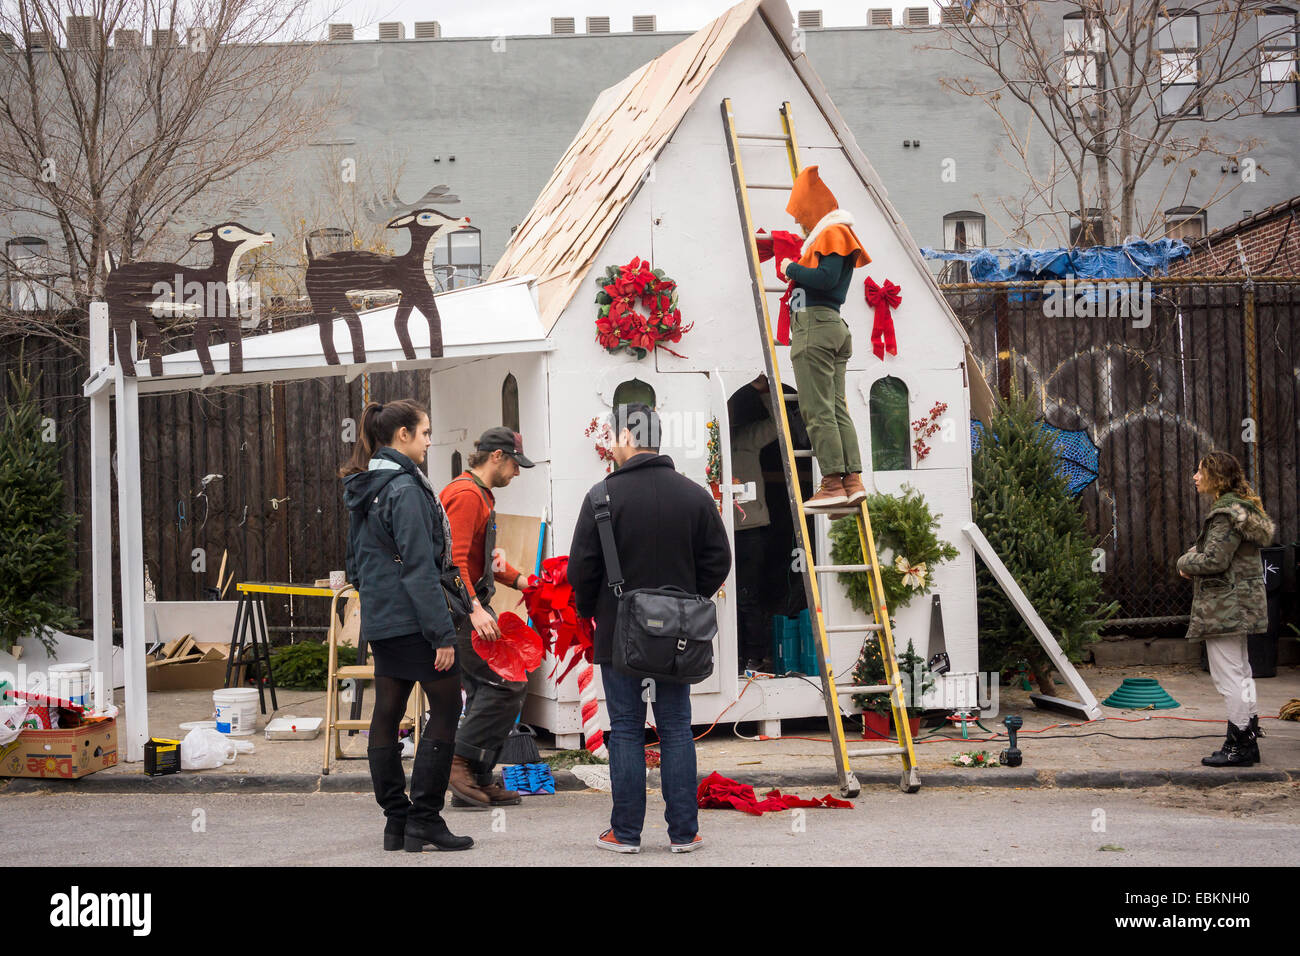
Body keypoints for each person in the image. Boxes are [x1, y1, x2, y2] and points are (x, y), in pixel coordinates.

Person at [568, 403, 732, 854]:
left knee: (624, 729)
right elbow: (720, 558)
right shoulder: (695, 495)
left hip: (620, 632)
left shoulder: (601, 497)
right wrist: (685, 597)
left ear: (625, 439)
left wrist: (590, 609)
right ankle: (685, 833)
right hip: (677, 637)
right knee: (676, 727)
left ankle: (625, 833)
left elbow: (582, 569)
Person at [341, 400, 472, 852]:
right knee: (448, 709)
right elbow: (420, 569)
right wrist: (441, 635)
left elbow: (354, 566)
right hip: (416, 620)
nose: (430, 441)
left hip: (381, 619)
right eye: (425, 433)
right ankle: (425, 818)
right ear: (402, 435)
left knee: (387, 712)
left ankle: (396, 822)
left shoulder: (364, 485)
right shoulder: (405, 489)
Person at [440, 426, 535, 809]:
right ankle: (458, 762)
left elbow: (484, 563)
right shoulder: (466, 496)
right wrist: (476, 610)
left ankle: (475, 780)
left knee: (488, 689)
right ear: (496, 456)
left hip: (470, 605)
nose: (517, 472)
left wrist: (523, 581)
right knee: (506, 684)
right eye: (515, 464)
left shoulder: (480, 495)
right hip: (462, 610)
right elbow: (455, 562)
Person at [776, 164, 872, 511]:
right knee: (835, 408)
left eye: (802, 218)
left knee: (816, 410)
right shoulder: (838, 234)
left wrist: (791, 268)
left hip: (814, 328)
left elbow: (826, 279)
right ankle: (851, 481)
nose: (800, 226)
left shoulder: (831, 234)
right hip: (831, 326)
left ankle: (832, 483)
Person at [1177, 451, 1273, 767]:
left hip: (1225, 605)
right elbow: (1223, 550)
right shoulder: (1240, 510)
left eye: (1199, 470)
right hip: (1240, 602)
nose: (1195, 476)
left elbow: (1216, 560)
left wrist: (1184, 562)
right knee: (1241, 670)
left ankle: (1240, 744)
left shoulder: (1224, 515)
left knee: (1228, 675)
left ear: (1215, 477)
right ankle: (1249, 729)